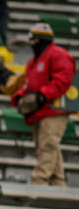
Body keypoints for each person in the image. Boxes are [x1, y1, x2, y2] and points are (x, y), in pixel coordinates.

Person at [11, 23, 76, 187]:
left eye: (34, 40)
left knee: (48, 146)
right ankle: (58, 185)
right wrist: (19, 97)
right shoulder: (34, 60)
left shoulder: (58, 55)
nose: (31, 43)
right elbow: (27, 84)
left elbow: (63, 80)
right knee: (49, 148)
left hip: (54, 109)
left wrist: (42, 95)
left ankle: (38, 182)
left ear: (41, 40)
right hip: (40, 111)